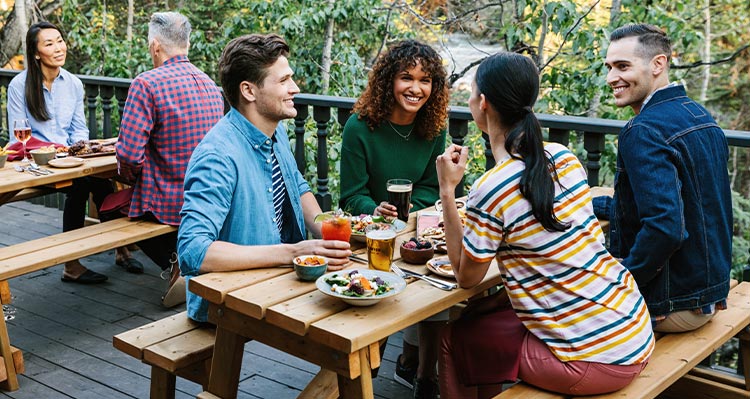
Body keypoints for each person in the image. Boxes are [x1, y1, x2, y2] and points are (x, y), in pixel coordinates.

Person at [435, 52, 654, 398]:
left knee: (453, 338)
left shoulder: (491, 188)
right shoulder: (563, 157)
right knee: (479, 321)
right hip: (632, 325)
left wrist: (447, 190)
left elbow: (465, 278)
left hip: (598, 360)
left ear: (483, 104)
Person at [177, 33, 351, 323]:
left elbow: (297, 185)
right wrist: (292, 252)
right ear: (249, 91)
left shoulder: (274, 130)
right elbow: (193, 252)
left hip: (282, 283)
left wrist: (328, 233)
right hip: (232, 304)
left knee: (368, 306)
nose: (294, 88)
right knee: (353, 330)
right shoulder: (217, 155)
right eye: (283, 81)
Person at [594, 23, 732, 332]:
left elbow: (665, 228)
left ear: (658, 64)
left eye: (622, 66)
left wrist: (621, 280)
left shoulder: (643, 130)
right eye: (609, 67)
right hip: (707, 294)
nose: (611, 77)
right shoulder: (698, 114)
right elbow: (682, 204)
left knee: (545, 307)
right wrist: (595, 205)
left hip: (672, 306)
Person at [338, 39, 449, 398]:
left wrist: (413, 207)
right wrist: (375, 210)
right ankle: (368, 372)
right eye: (406, 77)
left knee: (437, 286)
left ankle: (425, 378)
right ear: (389, 80)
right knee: (380, 295)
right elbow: (350, 195)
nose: (416, 88)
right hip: (371, 239)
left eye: (425, 80)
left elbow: (432, 187)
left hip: (418, 230)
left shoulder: (433, 128)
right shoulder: (359, 127)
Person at [7, 21, 135, 284]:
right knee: (82, 186)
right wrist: (52, 152)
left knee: (102, 181)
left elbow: (79, 129)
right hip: (38, 161)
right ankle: (73, 264)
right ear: (36, 53)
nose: (58, 48)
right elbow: (17, 138)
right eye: (49, 43)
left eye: (60, 40)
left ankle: (120, 248)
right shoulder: (20, 86)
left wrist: (77, 148)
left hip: (70, 159)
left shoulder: (73, 83)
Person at [113, 12, 224, 307]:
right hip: (208, 194)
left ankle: (178, 266)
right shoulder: (210, 85)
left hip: (167, 200)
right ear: (187, 43)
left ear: (154, 46)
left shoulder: (146, 84)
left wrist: (129, 177)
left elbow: (127, 155)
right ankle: (188, 264)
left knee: (110, 208)